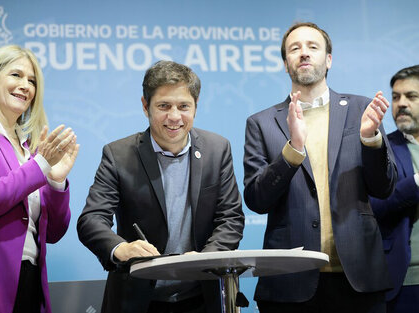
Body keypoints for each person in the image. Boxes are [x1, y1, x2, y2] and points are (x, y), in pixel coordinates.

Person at [243, 22, 397, 313]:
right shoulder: (261, 123)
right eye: (294, 48)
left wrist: (370, 140)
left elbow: (384, 188)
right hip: (289, 282)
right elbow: (256, 200)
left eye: (313, 47)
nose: (304, 54)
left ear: (328, 59)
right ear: (285, 63)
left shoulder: (361, 109)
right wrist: (293, 151)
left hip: (358, 278)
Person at [77, 60, 244, 313]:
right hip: (138, 299)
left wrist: (205, 258)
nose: (174, 116)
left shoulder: (217, 150)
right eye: (164, 106)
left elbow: (230, 218)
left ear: (196, 107)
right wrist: (121, 248)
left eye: (183, 106)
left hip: (202, 297)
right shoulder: (118, 154)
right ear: (146, 106)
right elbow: (91, 219)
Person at [0, 45, 79, 313]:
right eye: (16, 75)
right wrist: (41, 164)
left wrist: (55, 181)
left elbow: (53, 233)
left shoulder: (30, 150)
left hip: (28, 282)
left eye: (31, 81)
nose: (25, 86)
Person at [370, 65, 419, 313]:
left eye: (411, 96)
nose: (401, 104)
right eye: (396, 96)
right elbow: (374, 206)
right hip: (407, 280)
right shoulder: (381, 148)